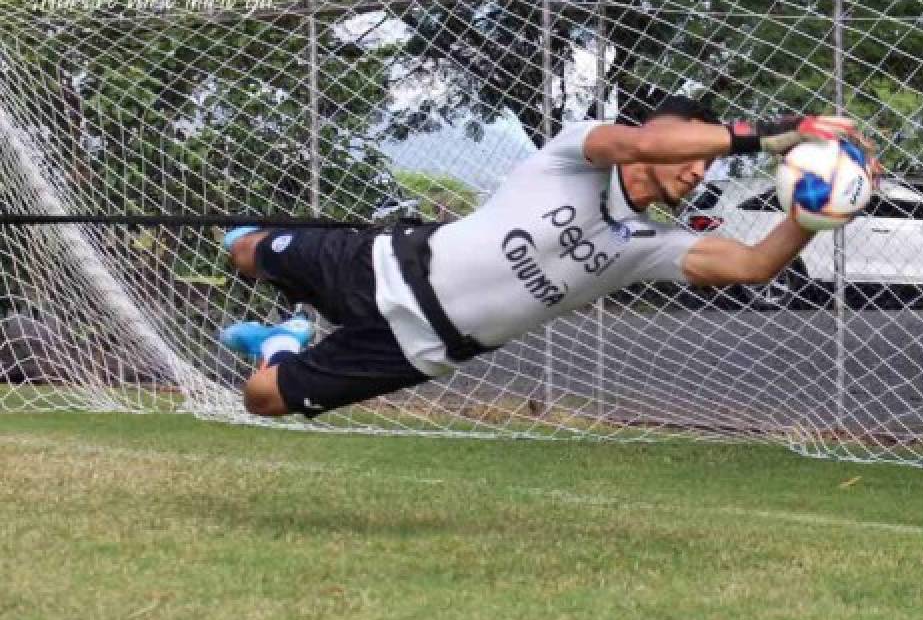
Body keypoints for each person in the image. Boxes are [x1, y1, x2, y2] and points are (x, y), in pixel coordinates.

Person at [220, 96, 876, 417]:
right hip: (384, 264)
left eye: (707, 163)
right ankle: (273, 281)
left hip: (420, 347)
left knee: (263, 398)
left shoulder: (647, 246)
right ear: (656, 135)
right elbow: (628, 145)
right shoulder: (578, 151)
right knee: (244, 250)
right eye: (693, 151)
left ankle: (281, 341)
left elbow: (754, 266)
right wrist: (764, 137)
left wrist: (813, 215)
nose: (698, 169)